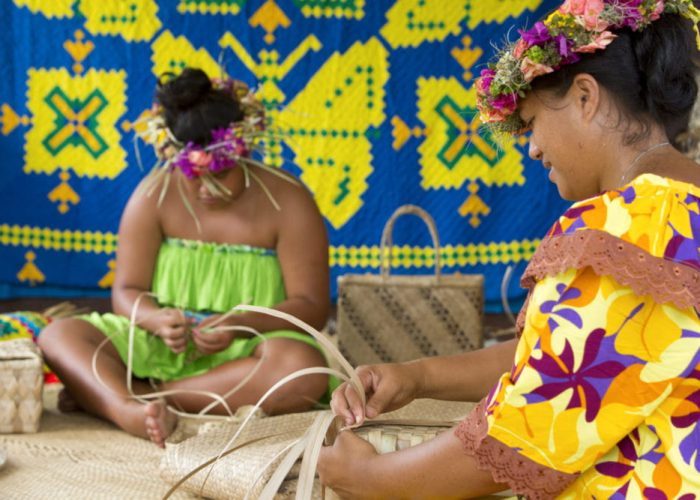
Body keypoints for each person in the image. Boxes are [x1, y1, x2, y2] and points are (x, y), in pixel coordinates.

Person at [318, 1, 700, 498]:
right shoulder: (678, 210)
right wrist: (417, 376)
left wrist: (373, 479)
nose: (533, 148)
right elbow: (579, 356)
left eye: (533, 121)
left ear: (586, 97)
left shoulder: (628, 226)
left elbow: (534, 431)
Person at [39, 68, 331, 448]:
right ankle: (129, 407)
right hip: (162, 345)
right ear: (175, 158)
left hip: (247, 352)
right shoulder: (154, 196)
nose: (206, 190)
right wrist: (154, 319)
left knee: (302, 369)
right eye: (193, 174)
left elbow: (312, 307)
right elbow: (127, 290)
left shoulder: (287, 200)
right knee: (58, 334)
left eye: (221, 174)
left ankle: (135, 399)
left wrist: (240, 323)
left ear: (243, 152)